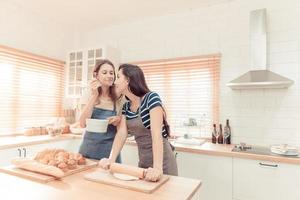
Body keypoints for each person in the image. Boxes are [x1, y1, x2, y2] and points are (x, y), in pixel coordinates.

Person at [99, 63, 178, 182]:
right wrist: (111, 159)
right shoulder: (126, 107)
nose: (115, 81)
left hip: (162, 162)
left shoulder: (151, 98)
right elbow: (121, 134)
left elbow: (156, 134)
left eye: (118, 77)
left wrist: (157, 168)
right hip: (143, 163)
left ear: (128, 80)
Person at [78, 59, 124, 162]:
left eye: (111, 73)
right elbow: (82, 123)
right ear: (96, 75)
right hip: (88, 149)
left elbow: (123, 127)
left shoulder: (119, 97)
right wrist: (94, 96)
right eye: (104, 72)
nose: (109, 75)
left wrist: (119, 120)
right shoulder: (88, 93)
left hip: (110, 152)